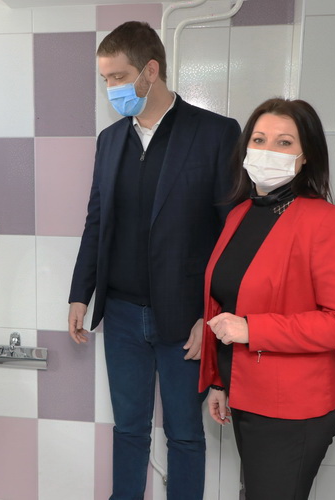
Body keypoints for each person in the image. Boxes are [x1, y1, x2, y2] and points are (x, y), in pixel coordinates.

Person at [68, 21, 240, 500]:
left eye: (119, 77)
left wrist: (212, 315)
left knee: (184, 433)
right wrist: (80, 293)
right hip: (121, 313)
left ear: (151, 70)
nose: (111, 88)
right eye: (105, 79)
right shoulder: (110, 141)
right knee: (129, 429)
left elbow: (231, 238)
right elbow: (97, 221)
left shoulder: (215, 134)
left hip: (185, 316)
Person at [198, 97, 335, 499]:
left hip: (293, 407)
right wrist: (220, 381)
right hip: (245, 393)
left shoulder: (329, 222)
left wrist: (252, 329)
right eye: (259, 139)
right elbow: (225, 303)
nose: (267, 150)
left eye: (284, 142)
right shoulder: (241, 214)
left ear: (306, 155)